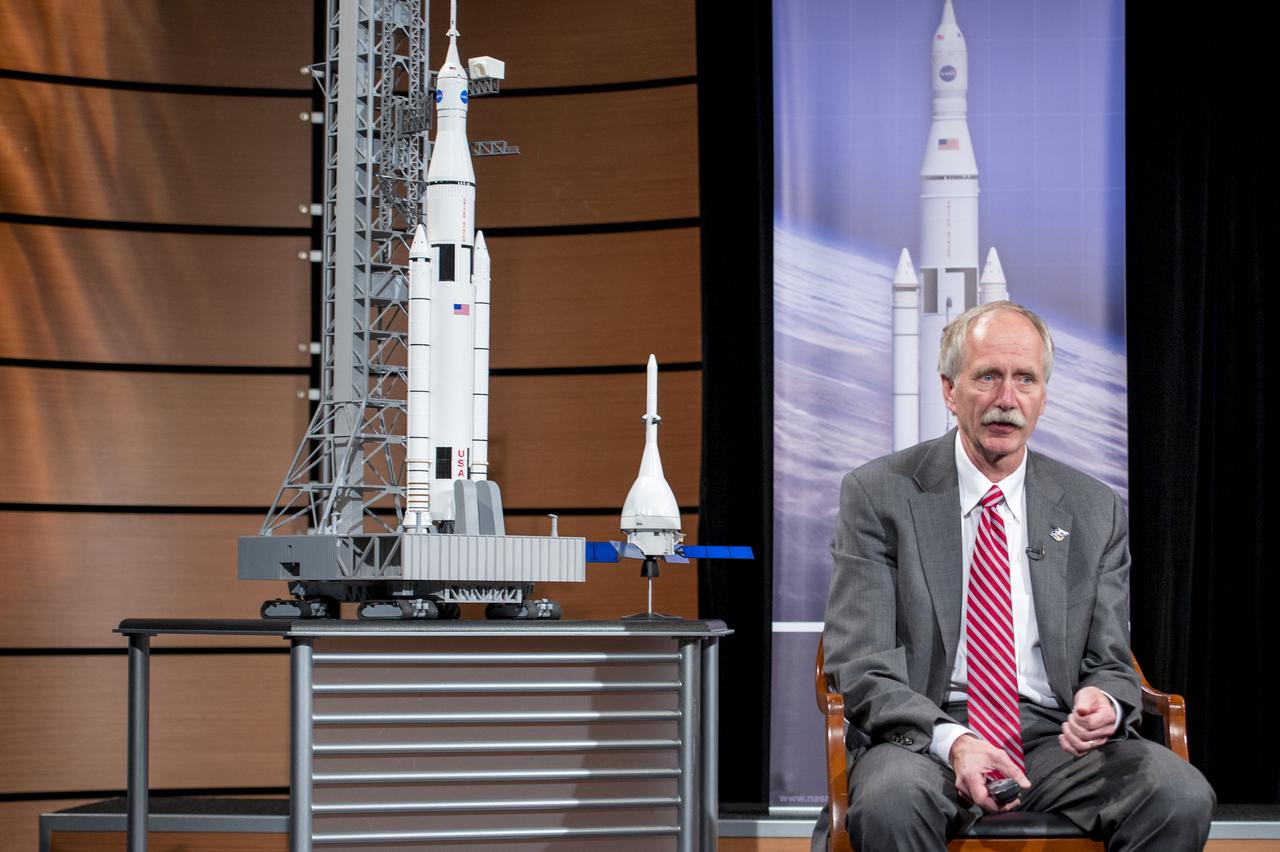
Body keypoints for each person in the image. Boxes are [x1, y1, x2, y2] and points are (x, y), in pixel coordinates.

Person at [813, 302, 1214, 851]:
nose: (1007, 399)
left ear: (1043, 396)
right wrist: (955, 744)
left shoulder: (1094, 508)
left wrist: (1104, 699)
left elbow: (1112, 662)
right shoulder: (879, 494)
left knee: (1178, 793)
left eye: (1025, 378)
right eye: (988, 377)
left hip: (1056, 741)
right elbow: (858, 663)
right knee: (890, 803)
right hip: (926, 737)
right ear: (950, 391)